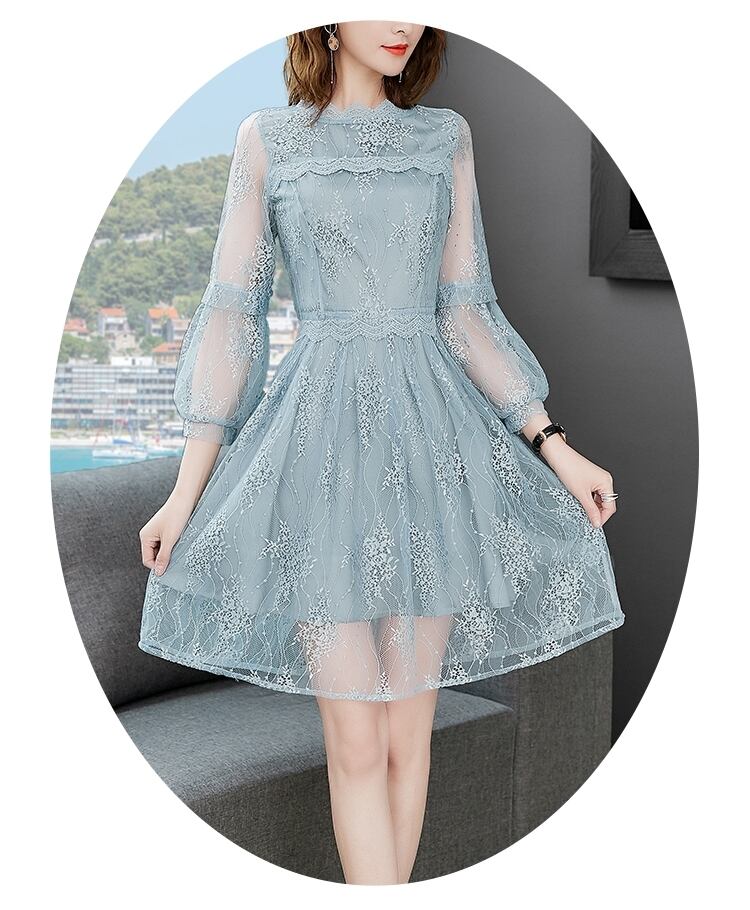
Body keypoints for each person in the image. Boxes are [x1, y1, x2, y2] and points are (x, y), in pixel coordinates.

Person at [137, 21, 624, 885]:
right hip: (318, 456)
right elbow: (232, 316)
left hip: (432, 453)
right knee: (356, 738)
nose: (404, 21)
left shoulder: (445, 137)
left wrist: (556, 446)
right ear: (327, 20)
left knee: (407, 734)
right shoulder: (267, 139)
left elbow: (465, 310)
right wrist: (185, 493)